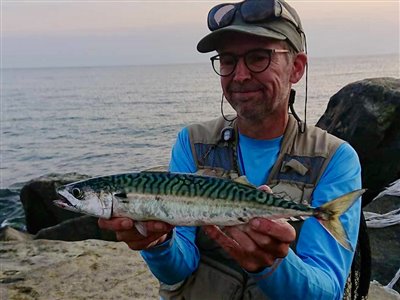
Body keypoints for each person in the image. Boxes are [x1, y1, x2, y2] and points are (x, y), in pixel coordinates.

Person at [99, 0, 362, 299]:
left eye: (258, 58)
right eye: (227, 60)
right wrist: (157, 243)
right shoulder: (192, 143)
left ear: (296, 68)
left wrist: (272, 265)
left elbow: (327, 291)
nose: (239, 76)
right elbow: (180, 268)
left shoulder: (334, 159)